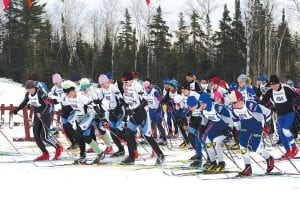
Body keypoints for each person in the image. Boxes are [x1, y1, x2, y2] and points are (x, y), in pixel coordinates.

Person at [121, 71, 165, 165]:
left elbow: (144, 101)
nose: (125, 84)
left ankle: (160, 154)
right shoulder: (125, 87)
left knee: (147, 136)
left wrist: (134, 109)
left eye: (126, 82)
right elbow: (126, 101)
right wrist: (127, 110)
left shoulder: (137, 86)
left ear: (131, 80)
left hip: (142, 113)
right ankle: (131, 157)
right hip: (133, 115)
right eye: (124, 82)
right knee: (128, 134)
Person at [13, 80, 63, 161]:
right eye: (27, 89)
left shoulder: (40, 92)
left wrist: (42, 113)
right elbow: (24, 103)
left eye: (30, 89)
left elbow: (48, 105)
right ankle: (45, 154)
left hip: (45, 115)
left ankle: (58, 147)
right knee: (36, 136)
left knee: (45, 137)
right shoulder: (28, 94)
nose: (28, 90)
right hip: (37, 116)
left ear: (33, 87)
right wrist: (17, 110)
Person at [230, 90, 274, 176]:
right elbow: (236, 120)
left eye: (234, 102)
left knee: (255, 147)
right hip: (245, 125)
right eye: (232, 102)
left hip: (257, 123)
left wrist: (268, 125)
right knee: (242, 145)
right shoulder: (233, 109)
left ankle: (269, 158)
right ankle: (248, 167)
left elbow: (267, 112)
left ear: (240, 100)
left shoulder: (250, 105)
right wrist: (238, 131)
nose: (233, 105)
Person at [62, 80, 105, 164]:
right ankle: (83, 156)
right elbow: (61, 102)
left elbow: (93, 105)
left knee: (79, 134)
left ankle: (100, 153)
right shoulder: (67, 98)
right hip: (79, 117)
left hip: (88, 116)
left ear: (73, 91)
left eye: (68, 93)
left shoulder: (81, 97)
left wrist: (101, 116)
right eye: (66, 94)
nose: (67, 95)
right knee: (81, 136)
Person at [260, 75, 299, 159]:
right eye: (271, 85)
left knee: (285, 130)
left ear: (279, 83)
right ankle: (288, 151)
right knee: (280, 133)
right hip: (280, 114)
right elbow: (263, 101)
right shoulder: (270, 91)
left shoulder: (286, 88)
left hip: (289, 113)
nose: (273, 87)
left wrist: (296, 104)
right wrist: (255, 106)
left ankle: (294, 147)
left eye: (275, 85)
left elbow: (296, 97)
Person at [199, 91, 233, 172]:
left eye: (203, 103)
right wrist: (203, 125)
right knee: (207, 143)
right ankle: (213, 162)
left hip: (224, 126)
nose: (201, 105)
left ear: (207, 102)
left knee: (216, 142)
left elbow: (230, 116)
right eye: (200, 103)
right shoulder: (203, 109)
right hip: (215, 126)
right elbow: (204, 118)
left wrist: (229, 128)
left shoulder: (218, 107)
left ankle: (221, 163)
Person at [79, 78, 113, 155]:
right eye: (83, 88)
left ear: (89, 87)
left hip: (97, 113)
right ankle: (95, 145)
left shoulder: (93, 93)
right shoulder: (81, 94)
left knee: (101, 129)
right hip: (88, 115)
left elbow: (98, 105)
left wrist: (101, 116)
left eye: (86, 88)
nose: (84, 90)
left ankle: (109, 146)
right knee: (90, 131)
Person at [97, 74, 126, 157]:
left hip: (119, 111)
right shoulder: (102, 90)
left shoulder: (113, 88)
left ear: (107, 82)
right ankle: (121, 149)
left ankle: (131, 142)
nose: (102, 86)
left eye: (103, 84)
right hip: (111, 112)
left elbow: (121, 99)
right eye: (101, 84)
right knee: (112, 132)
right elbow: (99, 100)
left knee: (118, 132)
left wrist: (119, 108)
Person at [182, 81, 203, 167]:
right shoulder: (184, 96)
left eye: (184, 90)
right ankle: (198, 153)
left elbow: (202, 103)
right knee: (190, 136)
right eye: (182, 90)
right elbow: (186, 108)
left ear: (188, 89)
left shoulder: (195, 95)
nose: (183, 92)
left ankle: (205, 156)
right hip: (193, 118)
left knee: (200, 137)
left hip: (200, 117)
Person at [143, 79, 167, 144]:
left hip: (158, 109)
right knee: (150, 125)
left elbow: (161, 100)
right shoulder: (144, 92)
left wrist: (159, 108)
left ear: (150, 86)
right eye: (145, 88)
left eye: (148, 88)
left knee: (159, 124)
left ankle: (165, 140)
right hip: (151, 110)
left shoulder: (155, 92)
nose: (147, 89)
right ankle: (149, 138)